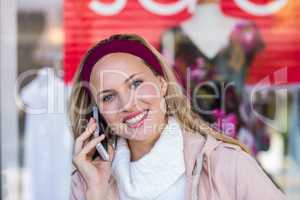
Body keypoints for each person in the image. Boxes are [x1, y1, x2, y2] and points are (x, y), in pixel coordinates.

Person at [68, 34, 285, 200]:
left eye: (136, 83)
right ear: (96, 113)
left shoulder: (226, 164)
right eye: (108, 97)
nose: (128, 104)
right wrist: (96, 193)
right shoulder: (88, 181)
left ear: (162, 84)